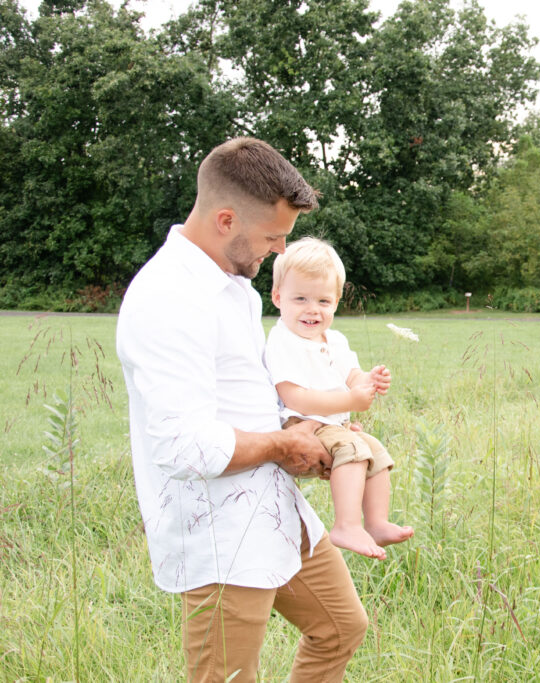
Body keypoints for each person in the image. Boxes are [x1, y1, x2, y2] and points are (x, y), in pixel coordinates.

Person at [116, 137, 368, 682]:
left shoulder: (236, 288)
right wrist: (284, 445)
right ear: (226, 220)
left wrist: (302, 429)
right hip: (218, 531)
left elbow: (240, 396)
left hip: (274, 511)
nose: (280, 251)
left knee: (341, 627)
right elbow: (183, 445)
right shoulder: (168, 298)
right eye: (274, 236)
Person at [264, 236, 414, 560]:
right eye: (300, 298)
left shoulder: (336, 340)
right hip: (303, 422)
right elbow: (296, 397)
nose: (312, 310)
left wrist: (368, 381)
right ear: (278, 297)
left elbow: (351, 376)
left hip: (334, 422)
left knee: (375, 451)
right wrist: (351, 402)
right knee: (354, 448)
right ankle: (346, 524)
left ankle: (375, 522)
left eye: (323, 301)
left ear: (336, 301)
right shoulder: (282, 341)